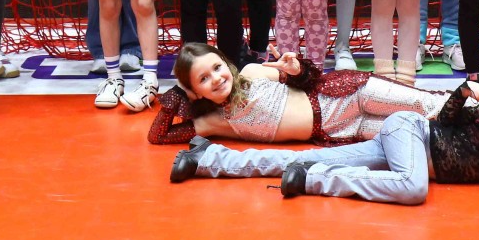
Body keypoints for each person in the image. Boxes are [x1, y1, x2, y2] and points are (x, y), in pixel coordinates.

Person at [169, 66, 479, 204]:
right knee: (412, 189)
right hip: (410, 132)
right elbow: (446, 120)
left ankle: (209, 159)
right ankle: (314, 182)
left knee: (298, 160)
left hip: (407, 156)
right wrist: (463, 92)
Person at [148, 43, 448, 146]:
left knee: (433, 105)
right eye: (203, 79)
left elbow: (309, 80)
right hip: (342, 129)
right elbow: (158, 136)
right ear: (195, 91)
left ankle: (477, 102)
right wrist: (176, 95)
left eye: (217, 67)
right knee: (424, 133)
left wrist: (295, 70)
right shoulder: (214, 121)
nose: (216, 78)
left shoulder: (251, 73)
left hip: (347, 95)